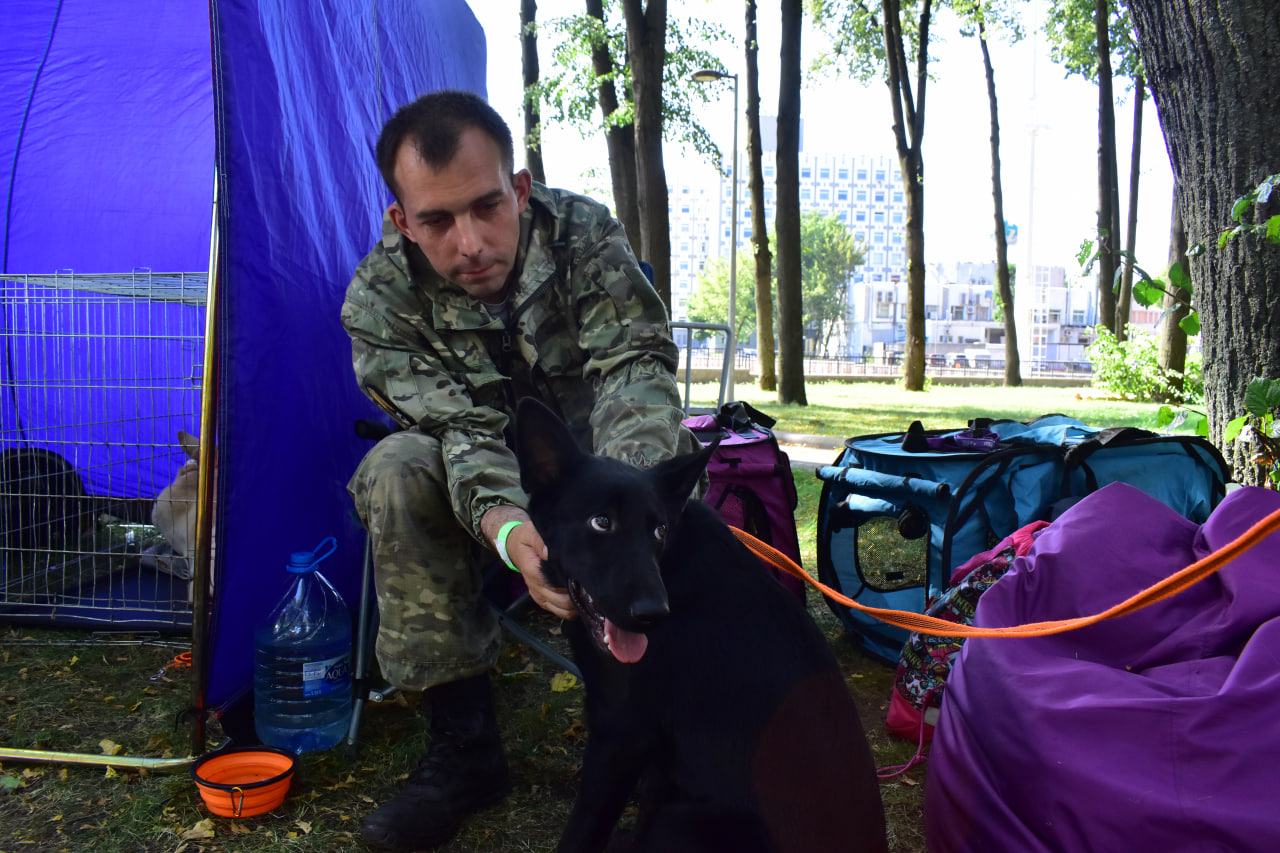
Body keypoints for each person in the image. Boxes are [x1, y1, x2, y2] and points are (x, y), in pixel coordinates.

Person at [340, 90, 699, 852]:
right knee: (397, 466)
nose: (469, 242)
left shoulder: (583, 236)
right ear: (403, 220)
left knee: (659, 493)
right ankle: (464, 750)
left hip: (597, 477)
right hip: (477, 491)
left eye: (487, 206)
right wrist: (511, 530)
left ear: (521, 189)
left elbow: (633, 365)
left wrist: (618, 515)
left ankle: (659, 721)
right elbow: (459, 430)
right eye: (436, 220)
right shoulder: (381, 301)